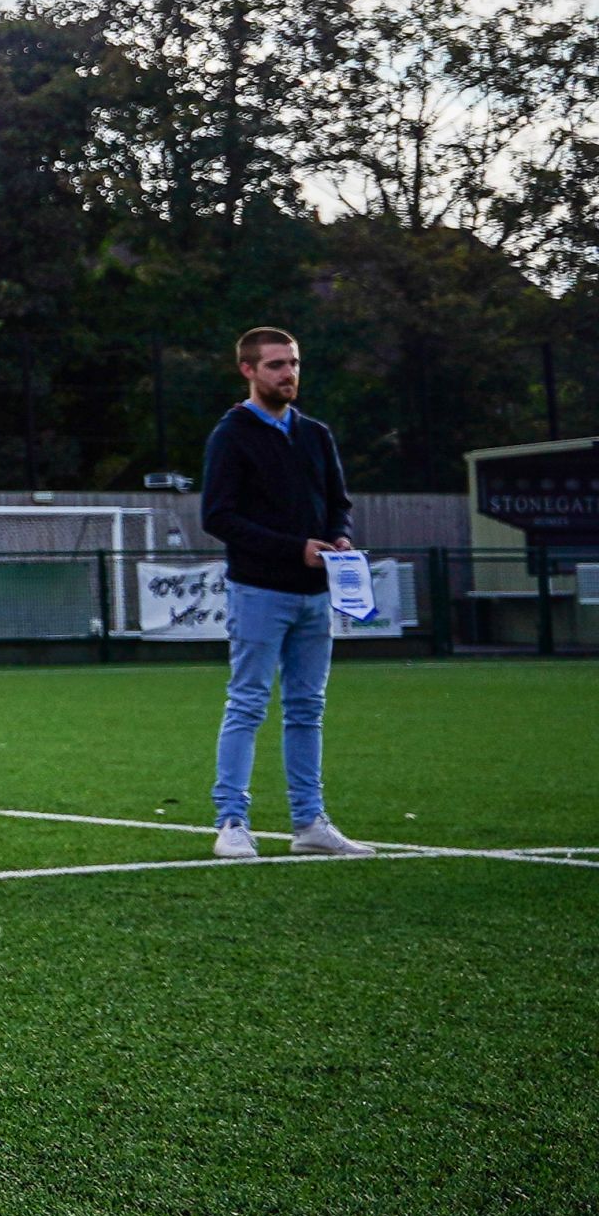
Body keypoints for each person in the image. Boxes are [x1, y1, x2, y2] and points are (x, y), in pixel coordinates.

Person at [198, 327, 368, 859]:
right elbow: (217, 517)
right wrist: (294, 548)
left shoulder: (316, 434)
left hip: (316, 595)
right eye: (275, 365)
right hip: (258, 592)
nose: (288, 373)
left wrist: (339, 536)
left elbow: (339, 502)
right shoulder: (231, 435)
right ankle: (230, 821)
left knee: (307, 708)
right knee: (247, 703)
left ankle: (309, 823)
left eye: (292, 363)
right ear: (248, 371)